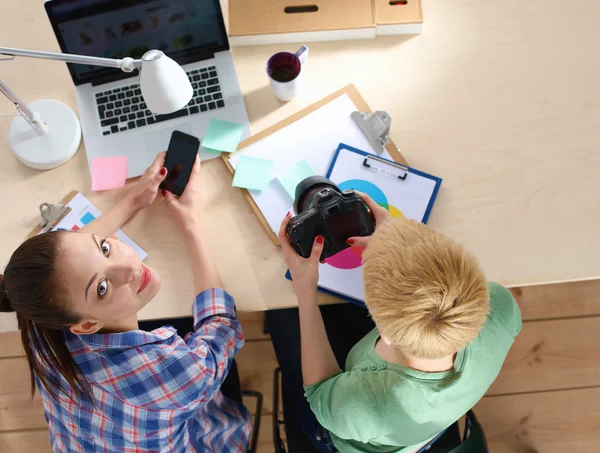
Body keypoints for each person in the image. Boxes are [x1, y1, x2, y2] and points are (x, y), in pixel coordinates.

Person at [0, 154, 251, 453]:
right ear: (87, 325)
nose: (130, 269)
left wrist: (134, 200)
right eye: (102, 288)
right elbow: (220, 329)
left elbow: (73, 254)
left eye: (106, 248)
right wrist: (191, 223)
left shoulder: (39, 315)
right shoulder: (174, 371)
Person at [268, 193, 522, 453]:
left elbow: (320, 391)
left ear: (384, 332)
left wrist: (305, 288)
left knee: (278, 312)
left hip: (343, 429)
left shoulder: (362, 407)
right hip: (419, 431)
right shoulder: (499, 308)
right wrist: (397, 239)